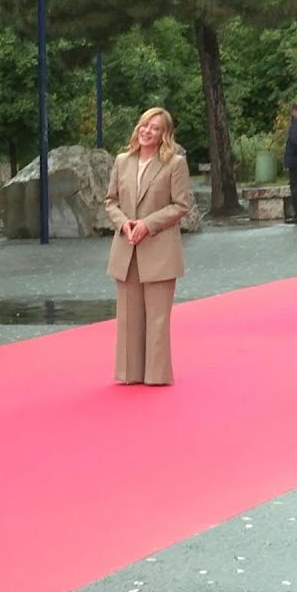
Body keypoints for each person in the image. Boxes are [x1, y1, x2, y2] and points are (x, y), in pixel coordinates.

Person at [103, 107, 191, 386]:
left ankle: (156, 375)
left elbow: (181, 205)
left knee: (157, 317)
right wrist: (123, 223)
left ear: (164, 134)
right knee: (128, 316)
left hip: (159, 248)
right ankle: (128, 373)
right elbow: (110, 201)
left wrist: (147, 224)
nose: (147, 131)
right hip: (126, 247)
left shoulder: (174, 164)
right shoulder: (122, 161)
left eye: (154, 127)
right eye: (144, 125)